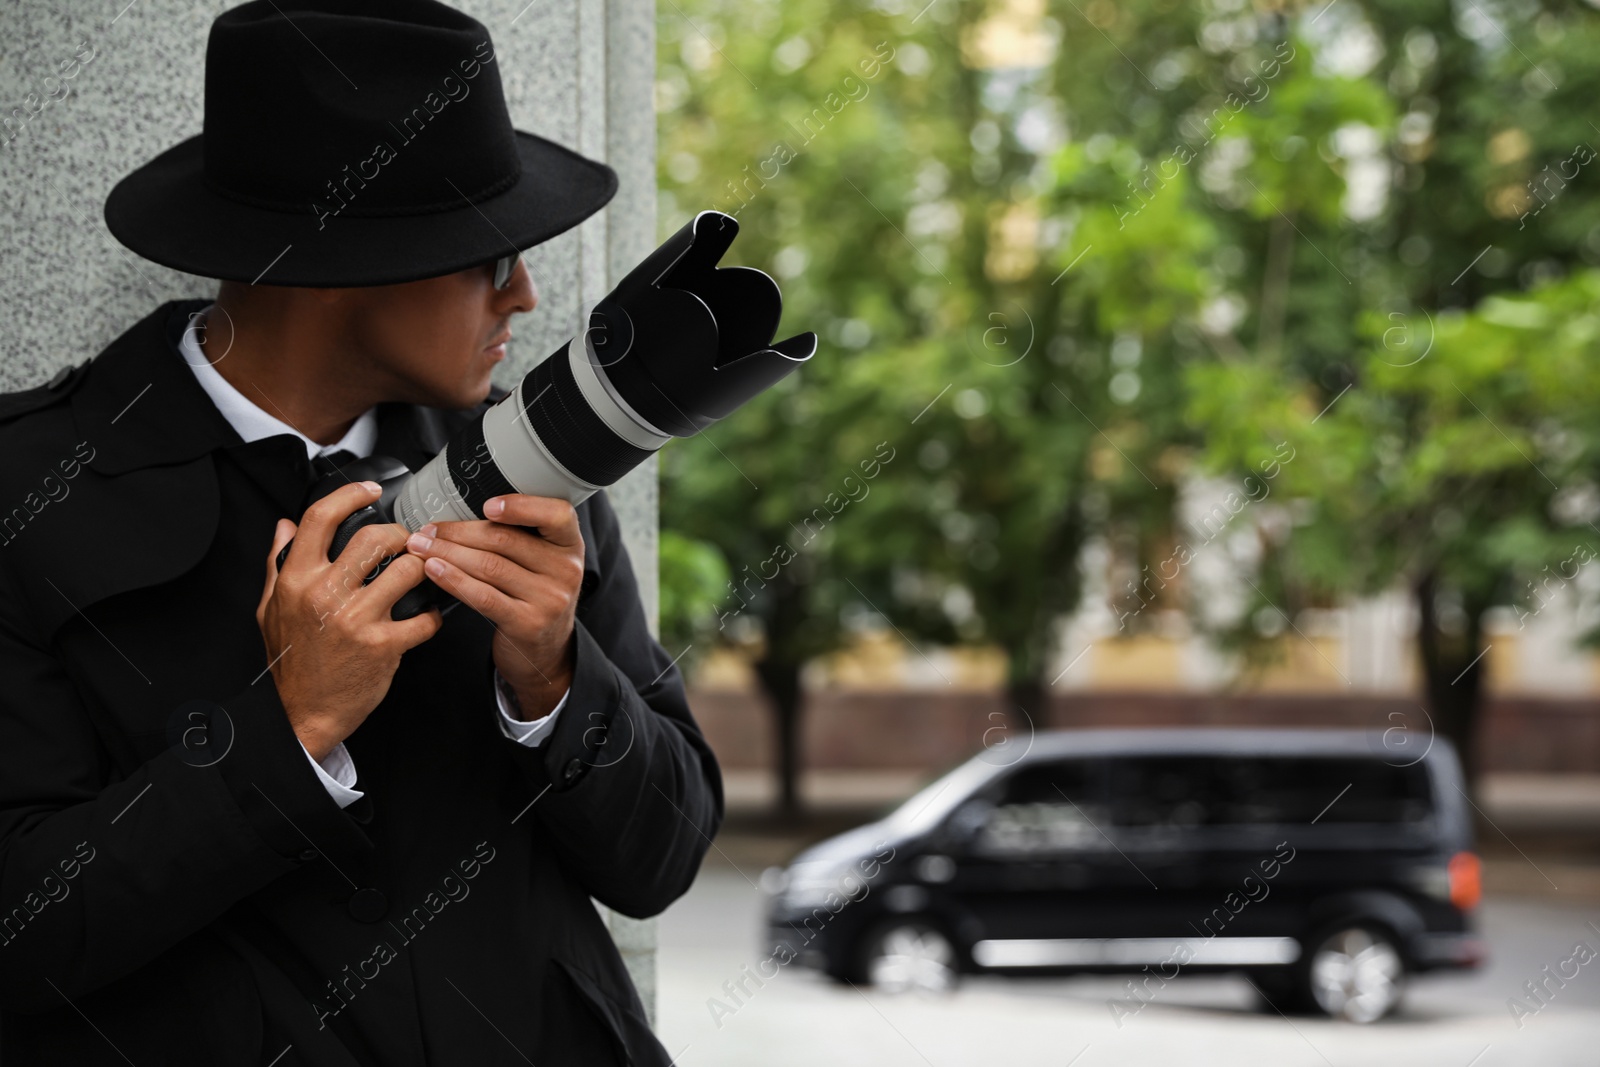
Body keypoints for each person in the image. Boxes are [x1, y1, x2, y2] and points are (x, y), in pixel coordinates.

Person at [0, 1, 722, 1064]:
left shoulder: (531, 468)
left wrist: (557, 682)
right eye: (492, 257)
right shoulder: (30, 491)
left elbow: (662, 858)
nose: (524, 295)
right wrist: (286, 731)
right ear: (349, 267)